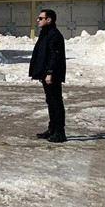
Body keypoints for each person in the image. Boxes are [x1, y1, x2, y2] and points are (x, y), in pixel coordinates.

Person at [29, 9, 67, 143]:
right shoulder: (46, 33)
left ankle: (60, 132)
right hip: (46, 73)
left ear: (49, 20)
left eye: (41, 18)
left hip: (52, 74)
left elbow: (55, 56)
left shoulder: (54, 35)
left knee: (56, 102)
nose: (38, 20)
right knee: (50, 101)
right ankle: (52, 129)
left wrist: (50, 73)